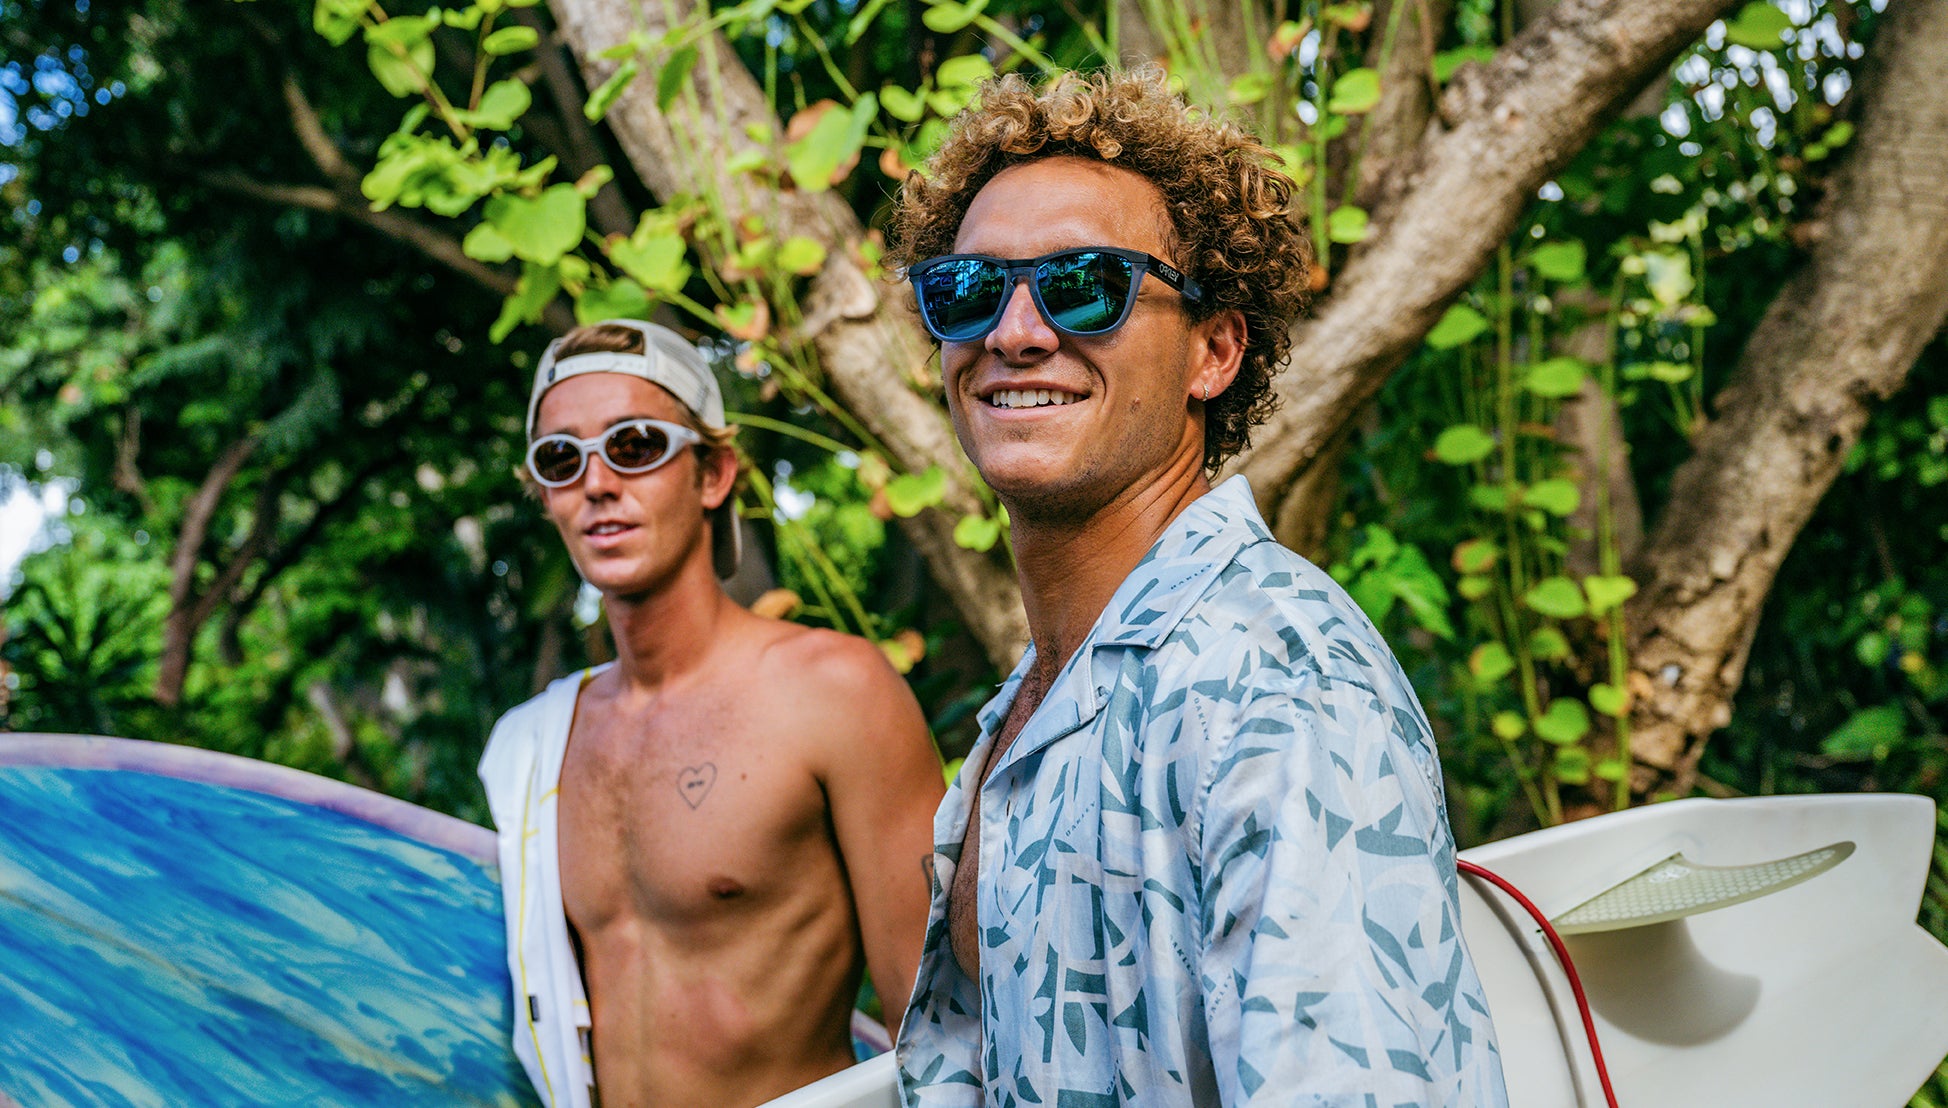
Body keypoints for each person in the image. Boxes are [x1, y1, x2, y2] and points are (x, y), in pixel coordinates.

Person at [885, 71, 1509, 1105]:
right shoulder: (1030, 710)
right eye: (969, 290)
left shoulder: (1274, 683)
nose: (1016, 332)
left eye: (1086, 283)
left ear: (1214, 352)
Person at [477, 319, 945, 1108]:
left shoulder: (834, 693)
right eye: (562, 459)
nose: (597, 483)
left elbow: (943, 1037)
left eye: (634, 445)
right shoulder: (533, 745)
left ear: (714, 472)